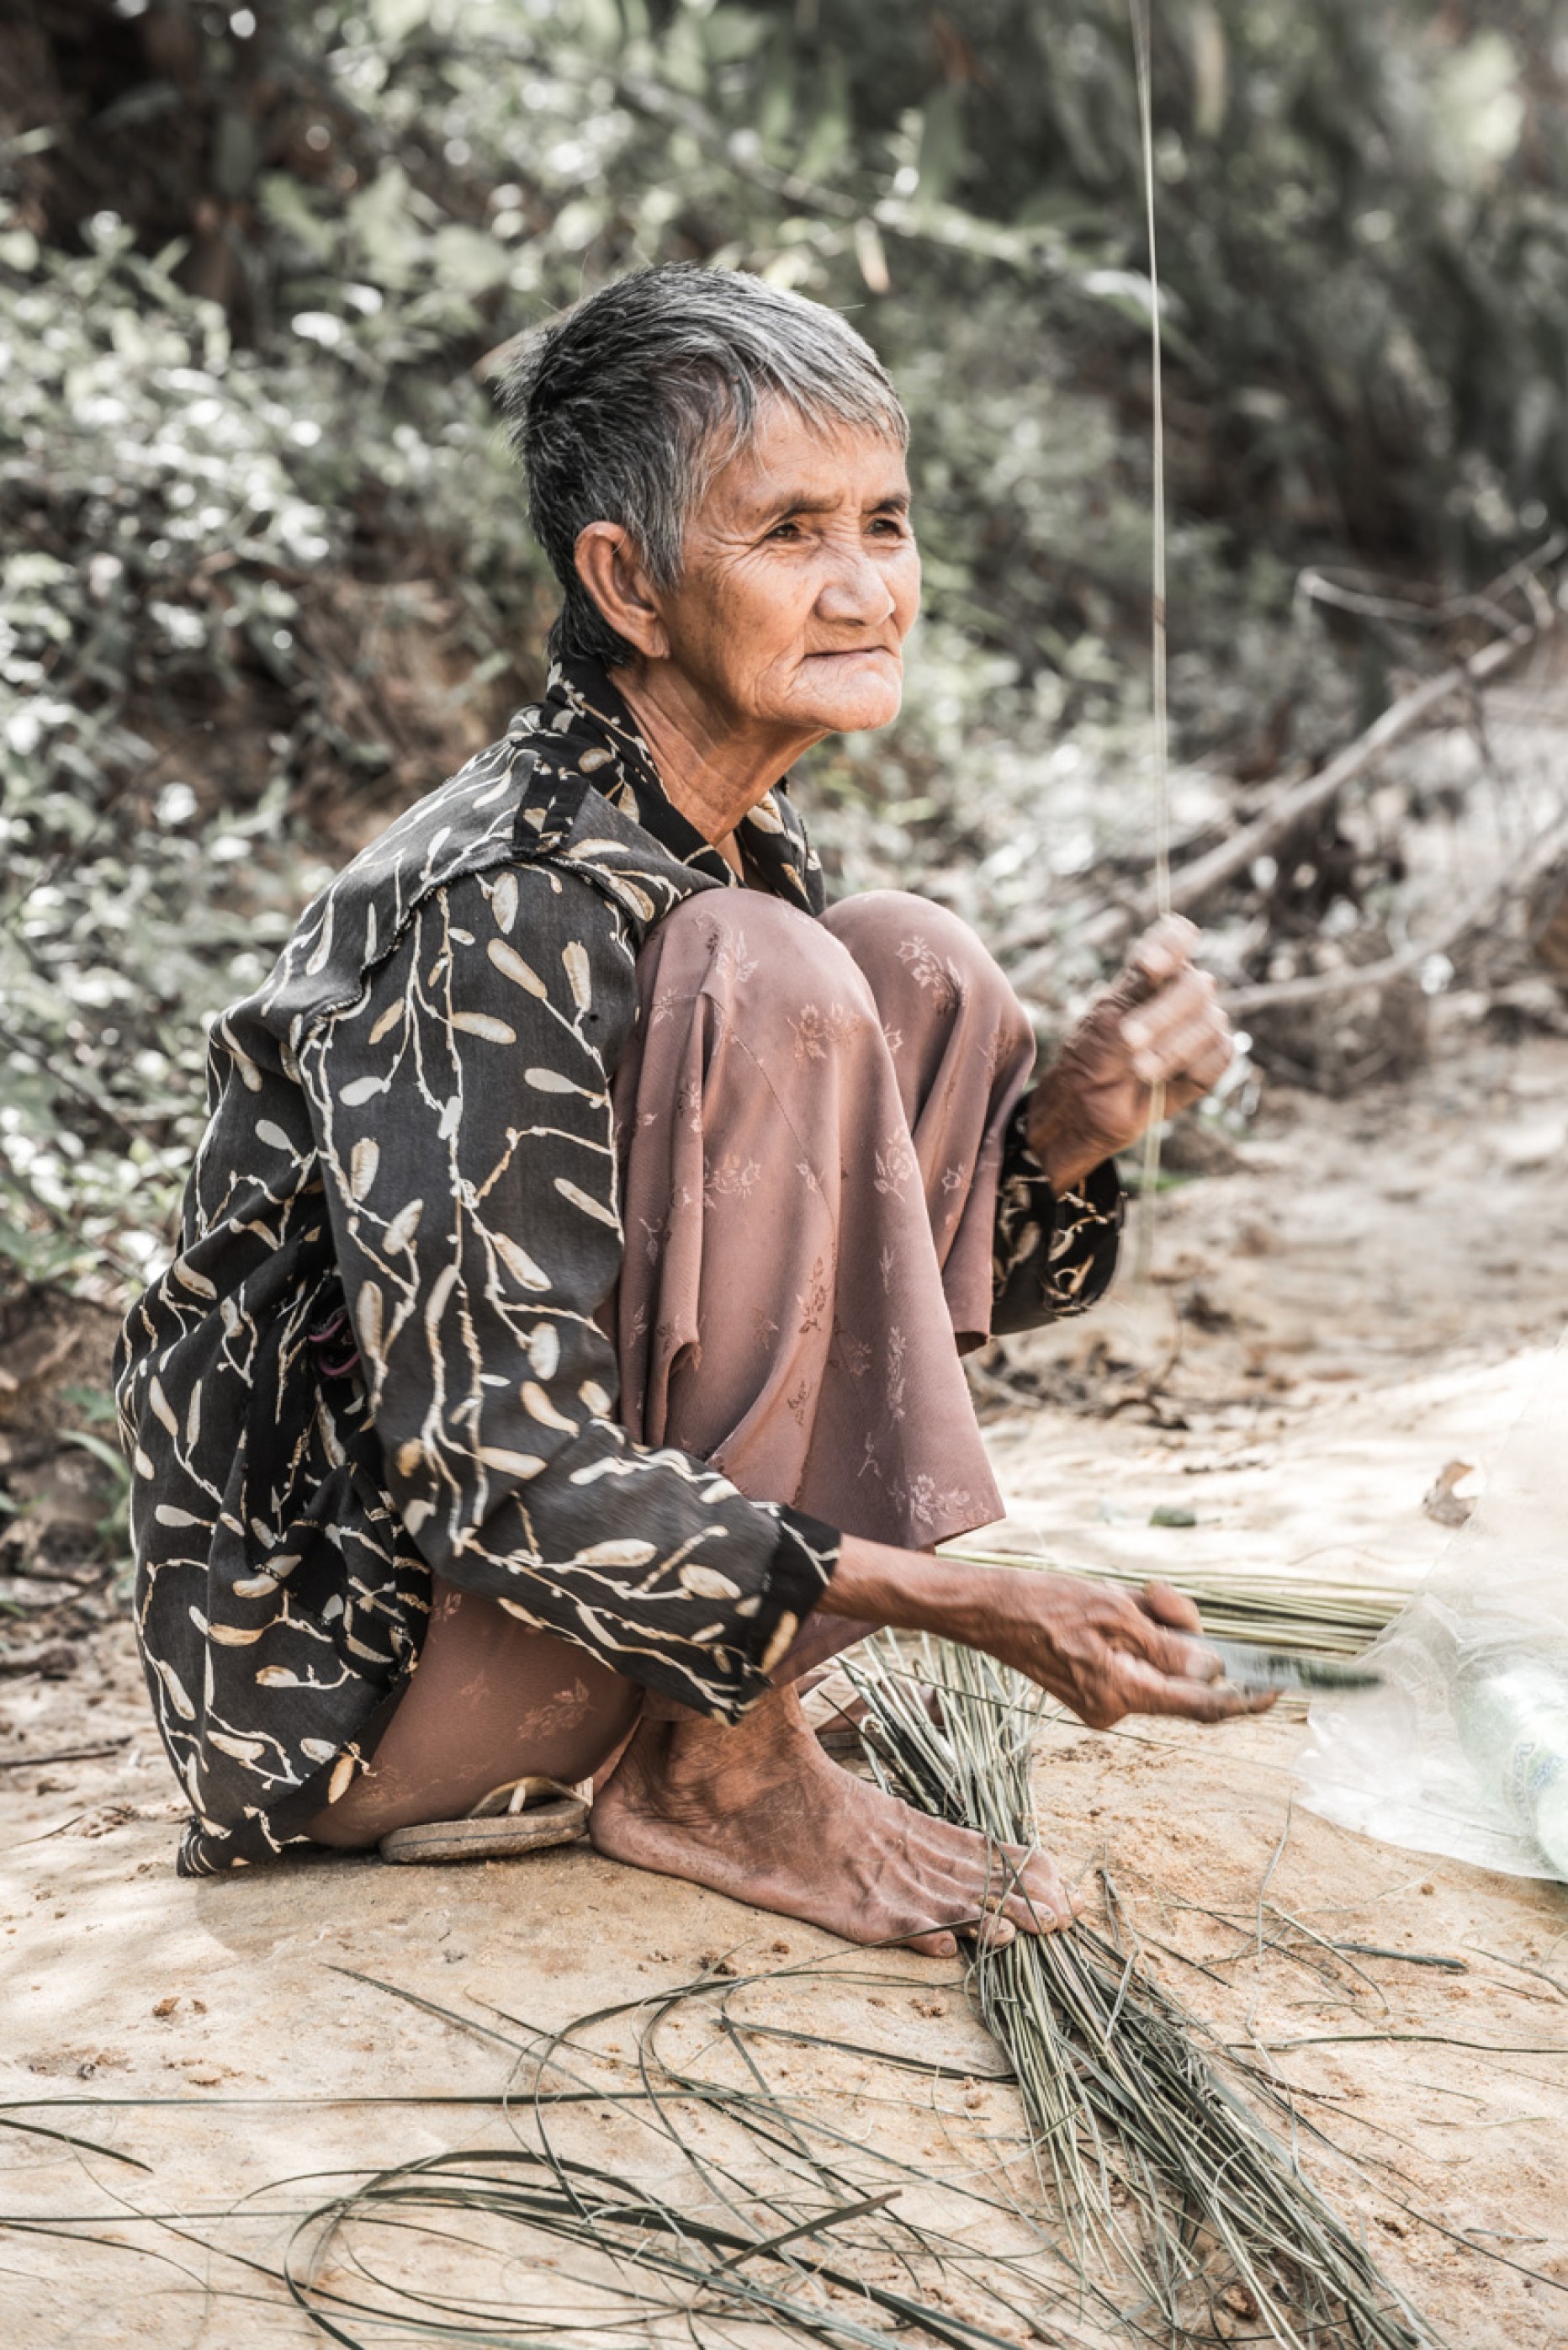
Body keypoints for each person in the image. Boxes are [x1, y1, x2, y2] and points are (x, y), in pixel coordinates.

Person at [115, 264, 1259, 1955]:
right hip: (360, 1688)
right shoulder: (496, 902)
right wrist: (965, 1600)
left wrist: (1068, 1132)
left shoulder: (717, 839)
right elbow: (493, 1466)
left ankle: (711, 1704)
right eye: (790, 532)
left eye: (882, 520)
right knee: (787, 978)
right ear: (628, 582)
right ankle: (717, 1757)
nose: (866, 585)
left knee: (913, 966)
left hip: (553, 1627)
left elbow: (856, 1307)